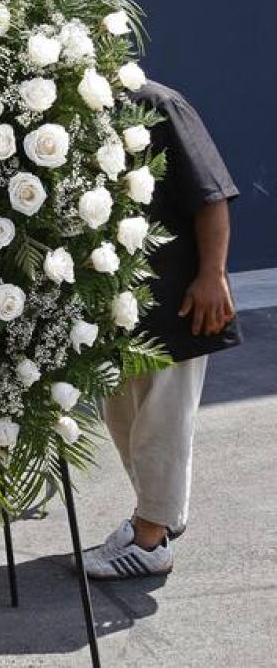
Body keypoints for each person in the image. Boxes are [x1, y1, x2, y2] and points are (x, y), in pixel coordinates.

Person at [83, 80, 241, 580]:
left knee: (162, 423)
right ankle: (156, 519)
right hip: (118, 307)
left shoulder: (156, 104)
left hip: (178, 298)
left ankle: (149, 540)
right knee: (125, 420)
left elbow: (210, 196)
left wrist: (213, 274)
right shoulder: (74, 112)